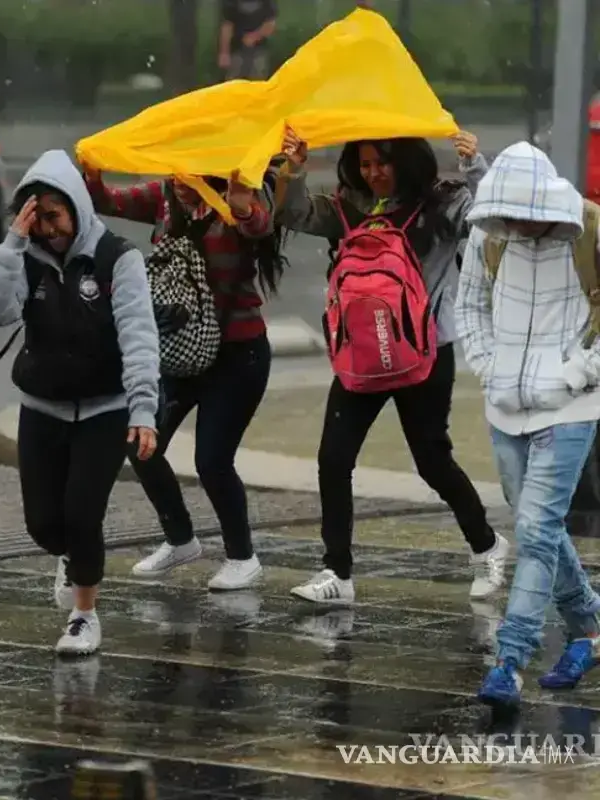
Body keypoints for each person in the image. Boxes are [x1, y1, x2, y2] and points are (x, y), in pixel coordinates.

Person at [278, 127, 506, 604]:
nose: (373, 173)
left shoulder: (440, 203)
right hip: (361, 354)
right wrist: (294, 169)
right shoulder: (349, 205)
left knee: (431, 462)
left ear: (404, 160)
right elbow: (293, 213)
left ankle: (486, 546)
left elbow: (488, 224)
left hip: (423, 354)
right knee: (333, 458)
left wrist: (475, 169)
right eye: (364, 164)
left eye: (381, 162)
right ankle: (336, 573)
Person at [0, 149, 160, 656]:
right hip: (42, 408)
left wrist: (144, 409)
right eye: (40, 220)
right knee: (44, 526)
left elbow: (140, 337)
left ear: (78, 207)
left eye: (56, 216)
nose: (50, 229)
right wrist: (13, 243)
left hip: (106, 409)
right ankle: (68, 555)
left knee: (82, 515)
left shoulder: (116, 258)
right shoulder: (25, 257)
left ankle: (84, 615)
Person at [82, 166, 284, 589]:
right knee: (141, 443)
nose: (178, 177)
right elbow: (108, 202)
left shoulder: (235, 195)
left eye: (188, 169)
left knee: (211, 460)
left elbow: (259, 226)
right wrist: (93, 178)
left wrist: (243, 209)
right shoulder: (162, 196)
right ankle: (180, 539)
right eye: (174, 168)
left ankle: (242, 557)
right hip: (180, 351)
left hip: (237, 355)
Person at [457, 142, 600, 707]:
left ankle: (509, 661)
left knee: (536, 531)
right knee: (542, 528)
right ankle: (589, 628)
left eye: (528, 213)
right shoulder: (487, 235)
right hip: (505, 410)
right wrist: (491, 369)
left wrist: (576, 375)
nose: (519, 223)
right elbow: (469, 307)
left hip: (572, 406)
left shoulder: (589, 232)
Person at [218, 0, 277, 80]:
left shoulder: (267, 2)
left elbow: (271, 24)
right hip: (236, 51)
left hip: (258, 52)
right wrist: (224, 53)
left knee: (256, 85)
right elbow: (227, 26)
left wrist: (254, 37)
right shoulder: (231, 2)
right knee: (232, 85)